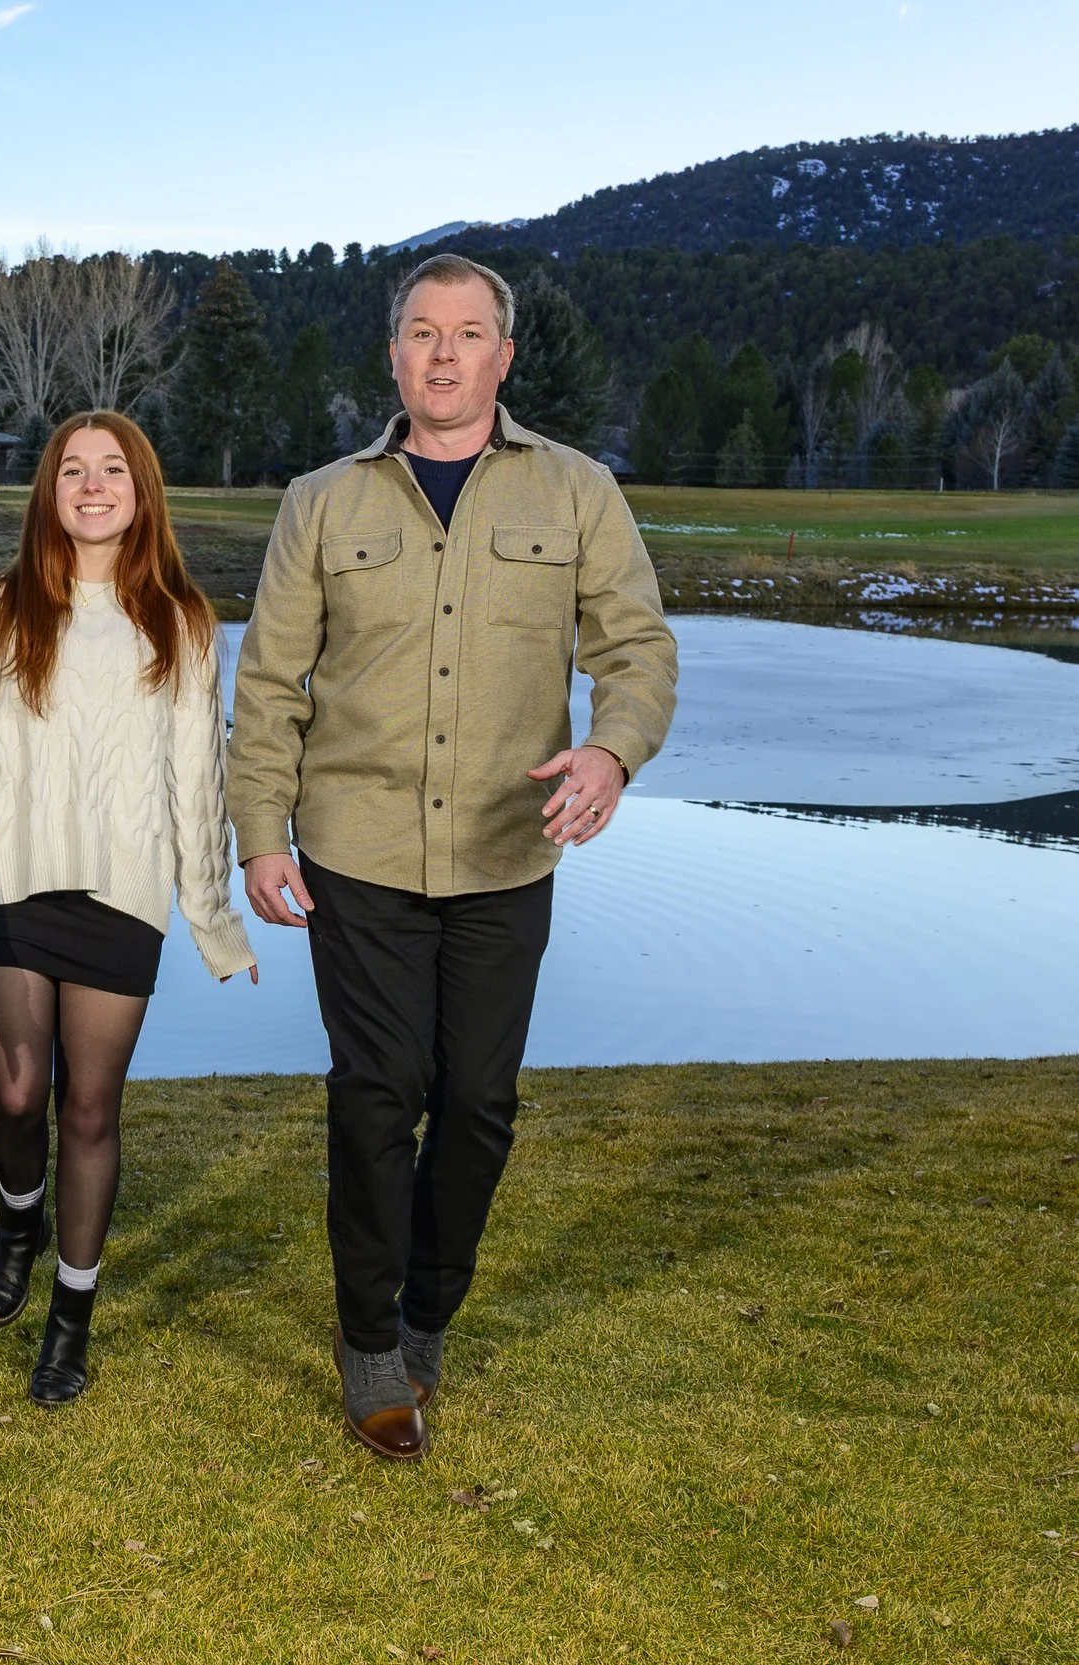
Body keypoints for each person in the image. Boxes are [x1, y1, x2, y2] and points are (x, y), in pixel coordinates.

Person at [226, 252, 678, 1461]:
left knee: (475, 1106)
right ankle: (370, 1338)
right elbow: (267, 687)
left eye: (467, 333)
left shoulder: (576, 493)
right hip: (355, 853)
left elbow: (636, 653)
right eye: (421, 332)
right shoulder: (320, 503)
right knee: (377, 1098)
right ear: (392, 356)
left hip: (502, 858)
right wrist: (258, 832)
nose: (442, 353)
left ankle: (429, 1309)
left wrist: (609, 756)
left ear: (501, 358)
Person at [0, 411, 256, 1406]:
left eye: (111, 471)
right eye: (71, 472)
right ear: (48, 494)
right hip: (8, 881)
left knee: (89, 1109)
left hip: (119, 896)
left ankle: (70, 1316)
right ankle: (20, 1217)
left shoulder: (180, 619)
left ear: (141, 492)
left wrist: (211, 917)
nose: (91, 486)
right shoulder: (0, 608)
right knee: (15, 1093)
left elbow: (198, 780)